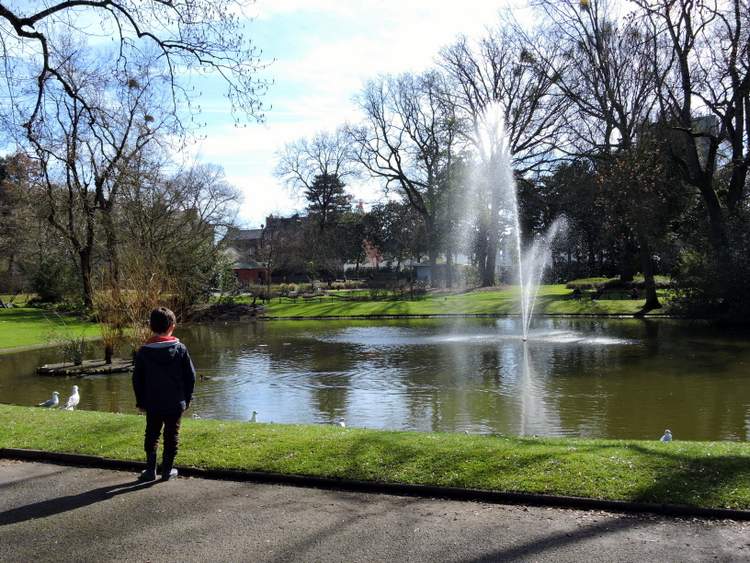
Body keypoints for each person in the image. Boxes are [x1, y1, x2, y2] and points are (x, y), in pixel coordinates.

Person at [132, 307, 196, 482]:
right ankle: (167, 470)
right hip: (175, 402)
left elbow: (137, 379)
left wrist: (140, 401)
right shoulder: (180, 349)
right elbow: (190, 377)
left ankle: (150, 470)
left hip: (152, 402)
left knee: (151, 433)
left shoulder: (144, 352)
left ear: (151, 327)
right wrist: (187, 398)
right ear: (172, 326)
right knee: (171, 434)